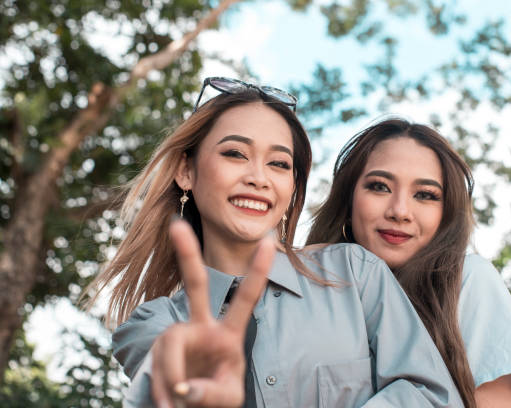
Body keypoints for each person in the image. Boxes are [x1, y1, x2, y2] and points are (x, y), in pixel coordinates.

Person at [84, 78, 465, 407]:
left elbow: (431, 395)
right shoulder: (156, 324)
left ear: (292, 187)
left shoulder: (354, 273)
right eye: (235, 153)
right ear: (186, 170)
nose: (258, 178)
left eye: (279, 164)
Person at [307, 118, 511, 408]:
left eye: (425, 195)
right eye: (380, 187)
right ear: (348, 202)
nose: (400, 211)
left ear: (446, 214)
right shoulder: (307, 297)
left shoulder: (469, 281)